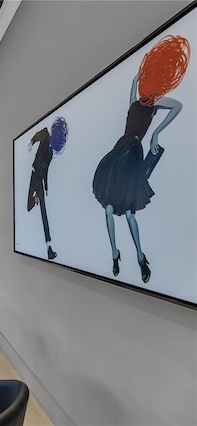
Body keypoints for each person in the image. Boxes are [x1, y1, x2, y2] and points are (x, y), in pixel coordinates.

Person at [92, 35, 190, 283]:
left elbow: (178, 106)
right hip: (119, 150)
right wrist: (140, 74)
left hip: (133, 153)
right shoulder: (134, 102)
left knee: (129, 214)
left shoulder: (155, 103)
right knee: (109, 209)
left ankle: (139, 257)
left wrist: (156, 132)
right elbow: (134, 80)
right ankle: (115, 254)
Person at [27, 116, 68, 260]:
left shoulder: (51, 152)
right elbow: (37, 136)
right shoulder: (45, 135)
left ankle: (48, 246)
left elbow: (46, 170)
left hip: (40, 181)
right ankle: (43, 244)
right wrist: (31, 142)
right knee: (30, 207)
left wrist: (47, 187)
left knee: (43, 212)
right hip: (34, 179)